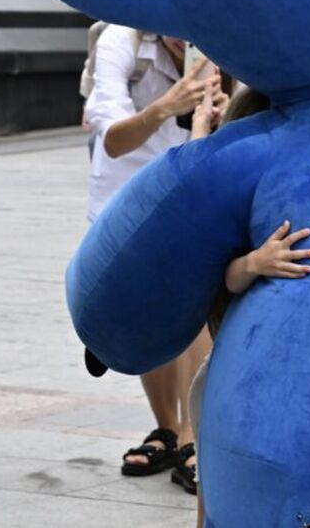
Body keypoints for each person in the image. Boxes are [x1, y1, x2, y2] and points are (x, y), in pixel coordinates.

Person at [82, 25, 221, 492]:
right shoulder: (120, 42)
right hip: (125, 197)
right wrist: (167, 106)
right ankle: (166, 426)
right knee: (146, 313)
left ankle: (192, 434)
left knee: (196, 306)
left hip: (190, 191)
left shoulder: (224, 42)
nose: (187, 43)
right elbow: (113, 140)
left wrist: (223, 111)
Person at [181, 84, 310, 527]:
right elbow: (223, 274)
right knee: (216, 489)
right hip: (233, 375)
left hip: (277, 373)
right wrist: (257, 261)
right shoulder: (242, 189)